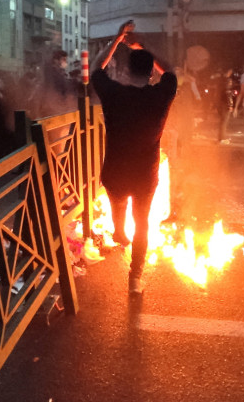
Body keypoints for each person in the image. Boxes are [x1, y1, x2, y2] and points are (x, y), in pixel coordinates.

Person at [90, 21, 177, 295]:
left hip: (115, 172)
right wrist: (143, 46)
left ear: (126, 71)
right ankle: (136, 278)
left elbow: (96, 69)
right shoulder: (160, 95)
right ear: (151, 72)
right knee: (142, 222)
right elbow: (172, 70)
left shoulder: (114, 93)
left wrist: (117, 40)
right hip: (145, 174)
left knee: (118, 206)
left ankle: (118, 231)